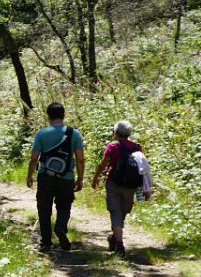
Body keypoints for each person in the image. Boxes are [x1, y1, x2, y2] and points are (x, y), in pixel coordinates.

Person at [27, 102, 85, 253]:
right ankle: (60, 227)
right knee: (64, 204)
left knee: (44, 208)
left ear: (48, 116)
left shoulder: (41, 134)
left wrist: (29, 175)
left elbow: (34, 158)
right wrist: (80, 178)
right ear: (63, 115)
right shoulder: (74, 134)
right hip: (66, 177)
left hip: (45, 176)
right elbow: (80, 159)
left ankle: (46, 242)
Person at [91, 120, 149, 254]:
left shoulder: (112, 146)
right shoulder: (136, 147)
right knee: (122, 212)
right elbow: (142, 168)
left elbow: (103, 164)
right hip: (130, 186)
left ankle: (118, 242)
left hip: (114, 183)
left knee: (115, 212)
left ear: (116, 133)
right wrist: (145, 188)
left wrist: (96, 177)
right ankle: (117, 241)